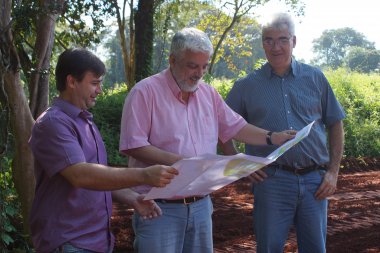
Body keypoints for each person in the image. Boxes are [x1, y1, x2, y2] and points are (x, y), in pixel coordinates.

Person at [119, 27, 296, 253]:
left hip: (202, 205)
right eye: (192, 66)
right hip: (158, 208)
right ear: (172, 60)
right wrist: (183, 162)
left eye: (204, 66)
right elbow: (134, 145)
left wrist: (272, 137)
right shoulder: (144, 92)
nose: (199, 73)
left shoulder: (208, 94)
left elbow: (236, 127)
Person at [28, 48, 178, 253]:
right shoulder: (53, 123)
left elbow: (98, 178)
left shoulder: (84, 121)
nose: (99, 90)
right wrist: (144, 175)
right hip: (69, 241)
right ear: (72, 81)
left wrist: (132, 197)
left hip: (96, 240)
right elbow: (80, 175)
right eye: (94, 83)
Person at [225, 12, 345, 253]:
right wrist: (240, 162)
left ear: (294, 41)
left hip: (315, 182)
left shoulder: (315, 78)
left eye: (282, 39)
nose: (275, 47)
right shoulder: (246, 86)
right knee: (269, 248)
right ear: (262, 43)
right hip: (271, 181)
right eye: (268, 40)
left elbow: (335, 123)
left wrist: (332, 172)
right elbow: (223, 128)